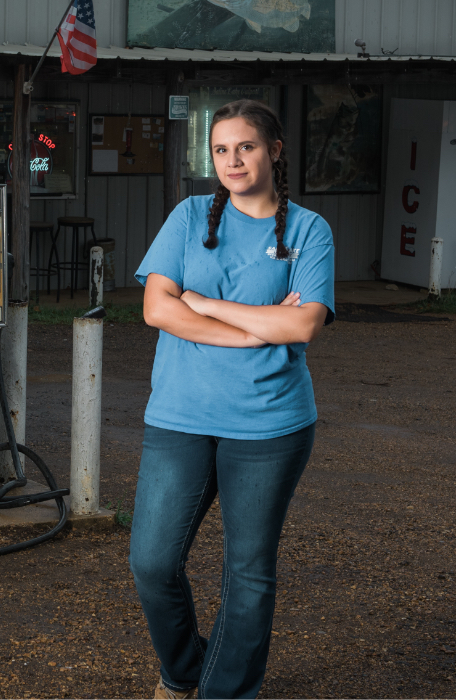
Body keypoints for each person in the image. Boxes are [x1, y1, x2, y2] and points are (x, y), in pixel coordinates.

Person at [129, 99, 335, 700]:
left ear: (274, 151)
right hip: (180, 416)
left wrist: (206, 303)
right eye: (221, 149)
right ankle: (184, 673)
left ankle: (227, 693)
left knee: (248, 575)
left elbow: (302, 327)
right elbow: (156, 308)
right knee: (152, 564)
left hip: (270, 425)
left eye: (245, 146)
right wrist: (257, 327)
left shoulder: (307, 229)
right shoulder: (191, 217)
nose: (232, 159)